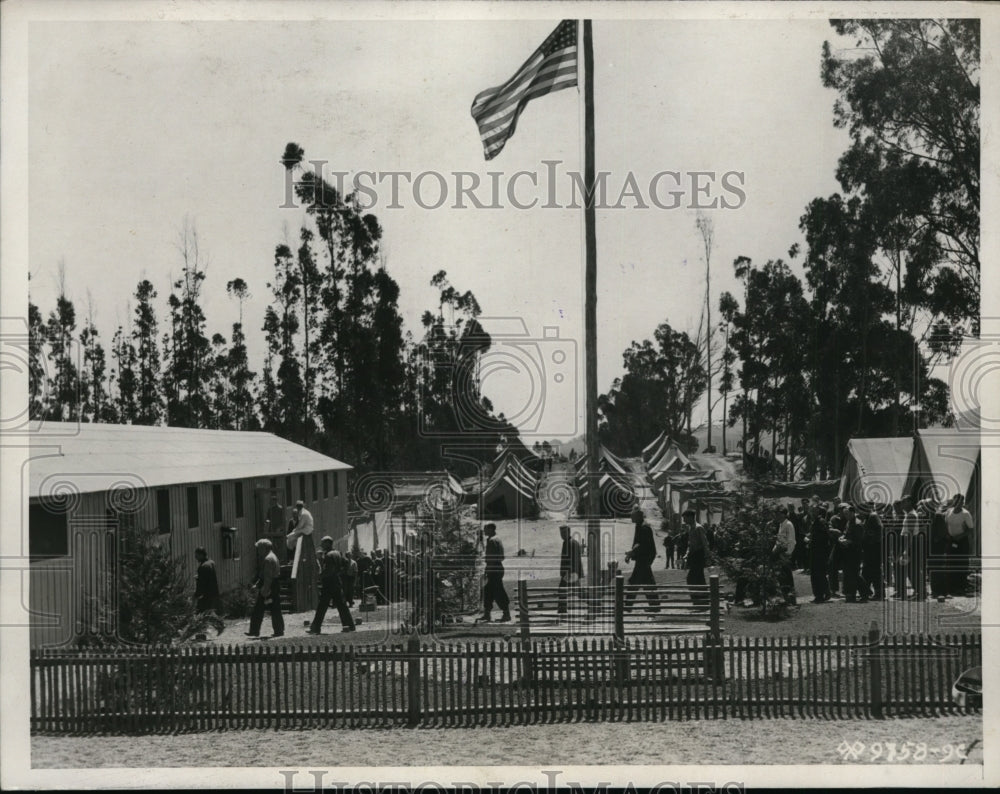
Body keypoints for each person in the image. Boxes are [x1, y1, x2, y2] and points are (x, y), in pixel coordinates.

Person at [308, 538, 356, 634]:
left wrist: (320, 576)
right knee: (342, 606)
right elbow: (346, 563)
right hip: (337, 582)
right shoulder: (338, 553)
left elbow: (329, 570)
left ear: (328, 543)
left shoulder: (328, 555)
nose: (321, 544)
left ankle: (315, 628)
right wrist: (340, 573)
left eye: (323, 543)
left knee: (322, 606)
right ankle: (350, 625)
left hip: (329, 584)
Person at [624, 508, 661, 612]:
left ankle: (628, 606)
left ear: (638, 516)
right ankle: (654, 606)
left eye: (632, 515)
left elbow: (643, 545)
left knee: (635, 582)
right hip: (643, 559)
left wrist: (632, 553)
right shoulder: (640, 525)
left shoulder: (644, 527)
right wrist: (631, 553)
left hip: (644, 559)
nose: (631, 517)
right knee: (646, 583)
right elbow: (638, 543)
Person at [247, 538, 284, 638]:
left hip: (269, 586)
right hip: (274, 585)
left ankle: (254, 630)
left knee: (258, 609)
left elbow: (268, 577)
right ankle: (279, 630)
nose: (258, 551)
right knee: (275, 608)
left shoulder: (268, 559)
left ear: (265, 548)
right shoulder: (273, 556)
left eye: (259, 548)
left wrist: (265, 590)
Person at [478, 523, 511, 623]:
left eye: (486, 529)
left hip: (494, 569)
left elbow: (494, 558)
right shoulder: (494, 539)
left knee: (498, 591)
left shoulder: (493, 541)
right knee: (488, 591)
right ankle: (487, 613)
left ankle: (506, 613)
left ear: (491, 529)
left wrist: (488, 570)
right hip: (495, 568)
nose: (484, 531)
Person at [945, 493, 975, 597]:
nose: (959, 503)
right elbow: (946, 524)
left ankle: (961, 587)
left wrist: (960, 536)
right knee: (951, 563)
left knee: (961, 564)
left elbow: (970, 529)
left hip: (962, 541)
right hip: (951, 540)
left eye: (961, 501)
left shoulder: (966, 514)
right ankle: (951, 587)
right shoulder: (949, 512)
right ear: (954, 501)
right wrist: (948, 535)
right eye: (957, 501)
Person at [840, 506, 868, 603]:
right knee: (851, 573)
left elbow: (859, 540)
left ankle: (856, 594)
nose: (845, 516)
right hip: (848, 552)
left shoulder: (857, 524)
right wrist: (842, 538)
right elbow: (845, 533)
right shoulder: (849, 522)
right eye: (844, 514)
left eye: (847, 514)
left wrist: (848, 541)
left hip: (855, 552)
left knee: (853, 573)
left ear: (852, 513)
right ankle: (863, 592)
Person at [683, 508, 709, 604]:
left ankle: (698, 599)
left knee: (692, 578)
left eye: (685, 518)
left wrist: (707, 557)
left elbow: (705, 543)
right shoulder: (690, 528)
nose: (684, 520)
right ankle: (702, 600)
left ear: (691, 517)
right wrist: (686, 555)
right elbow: (690, 544)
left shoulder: (699, 528)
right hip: (693, 556)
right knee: (699, 578)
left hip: (699, 555)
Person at [557, 524, 584, 617]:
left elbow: (570, 560)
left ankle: (562, 610)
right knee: (578, 593)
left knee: (562, 589)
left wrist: (566, 573)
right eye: (561, 533)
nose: (562, 535)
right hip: (574, 572)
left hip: (569, 573)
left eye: (563, 532)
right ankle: (593, 604)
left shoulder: (568, 543)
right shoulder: (574, 542)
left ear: (568, 532)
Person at [773, 506, 797, 605]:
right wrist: (774, 550)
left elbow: (792, 541)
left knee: (787, 577)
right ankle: (786, 597)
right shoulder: (781, 525)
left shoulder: (788, 524)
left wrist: (787, 554)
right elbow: (779, 540)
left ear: (783, 514)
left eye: (778, 514)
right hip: (779, 553)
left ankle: (791, 598)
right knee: (781, 577)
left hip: (785, 553)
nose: (776, 516)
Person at [807, 505, 831, 603]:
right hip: (815, 551)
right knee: (816, 573)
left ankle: (821, 594)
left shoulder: (820, 522)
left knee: (819, 573)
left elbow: (824, 537)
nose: (812, 513)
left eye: (814, 511)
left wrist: (812, 540)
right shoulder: (815, 522)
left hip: (820, 552)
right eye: (811, 511)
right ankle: (820, 594)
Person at [861, 508, 884, 600]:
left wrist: (872, 540)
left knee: (874, 571)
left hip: (873, 549)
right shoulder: (869, 517)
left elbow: (879, 528)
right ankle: (867, 591)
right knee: (869, 570)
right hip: (870, 548)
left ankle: (878, 593)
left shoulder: (873, 516)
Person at [193, 547, 221, 613]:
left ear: (201, 555)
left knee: (202, 614)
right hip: (214, 593)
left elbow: (201, 584)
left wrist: (196, 595)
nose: (195, 557)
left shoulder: (202, 567)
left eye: (197, 555)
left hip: (206, 595)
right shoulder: (211, 563)